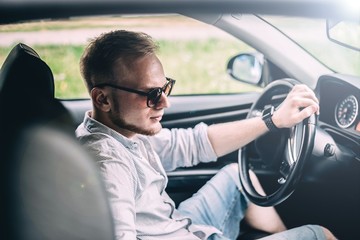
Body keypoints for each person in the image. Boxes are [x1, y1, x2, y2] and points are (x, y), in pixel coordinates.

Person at [75, 30, 337, 240]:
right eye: (151, 95)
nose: (165, 103)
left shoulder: (124, 131)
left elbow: (194, 143)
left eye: (165, 88)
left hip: (178, 225)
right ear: (103, 99)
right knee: (319, 234)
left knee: (236, 177)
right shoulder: (108, 166)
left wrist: (273, 120)